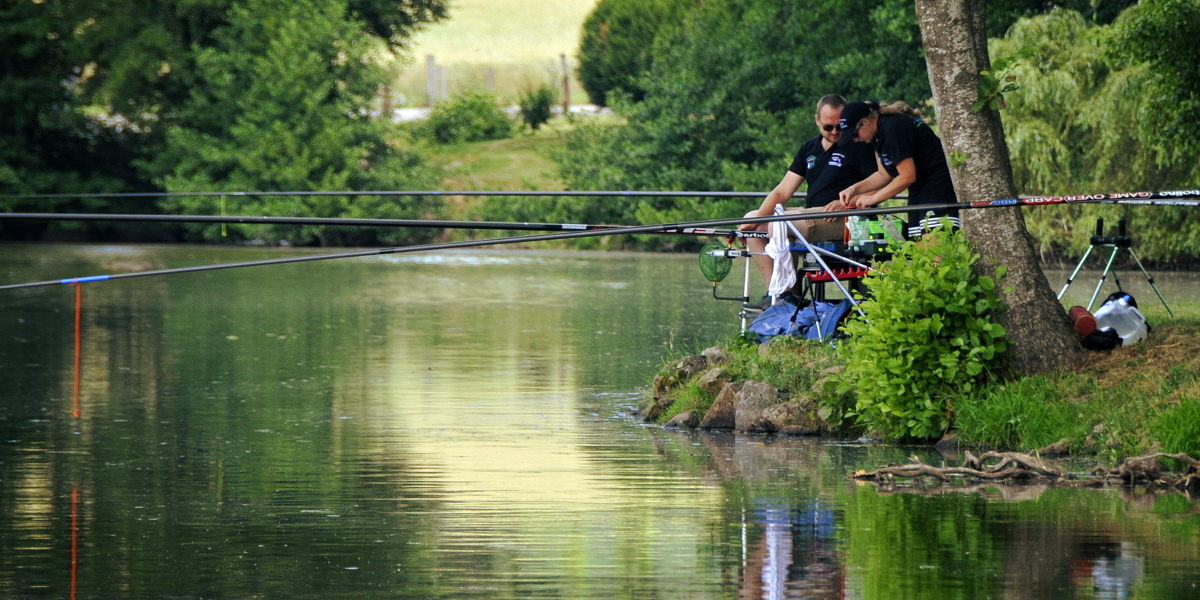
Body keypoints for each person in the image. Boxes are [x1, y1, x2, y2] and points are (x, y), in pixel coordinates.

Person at [738, 94, 878, 291]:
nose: (835, 132)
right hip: (812, 215)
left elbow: (878, 184)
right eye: (828, 127)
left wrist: (847, 201)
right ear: (817, 121)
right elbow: (782, 192)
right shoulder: (809, 148)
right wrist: (755, 220)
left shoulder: (859, 145)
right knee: (753, 218)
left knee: (781, 223)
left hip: (844, 218)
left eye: (840, 126)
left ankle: (786, 293)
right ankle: (777, 294)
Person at [832, 101, 959, 238]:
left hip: (937, 189)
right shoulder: (877, 136)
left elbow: (907, 176)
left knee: (935, 251)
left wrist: (873, 198)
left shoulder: (892, 129)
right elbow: (883, 174)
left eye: (854, 135)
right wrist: (853, 189)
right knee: (919, 250)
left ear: (865, 122)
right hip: (918, 192)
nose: (856, 140)